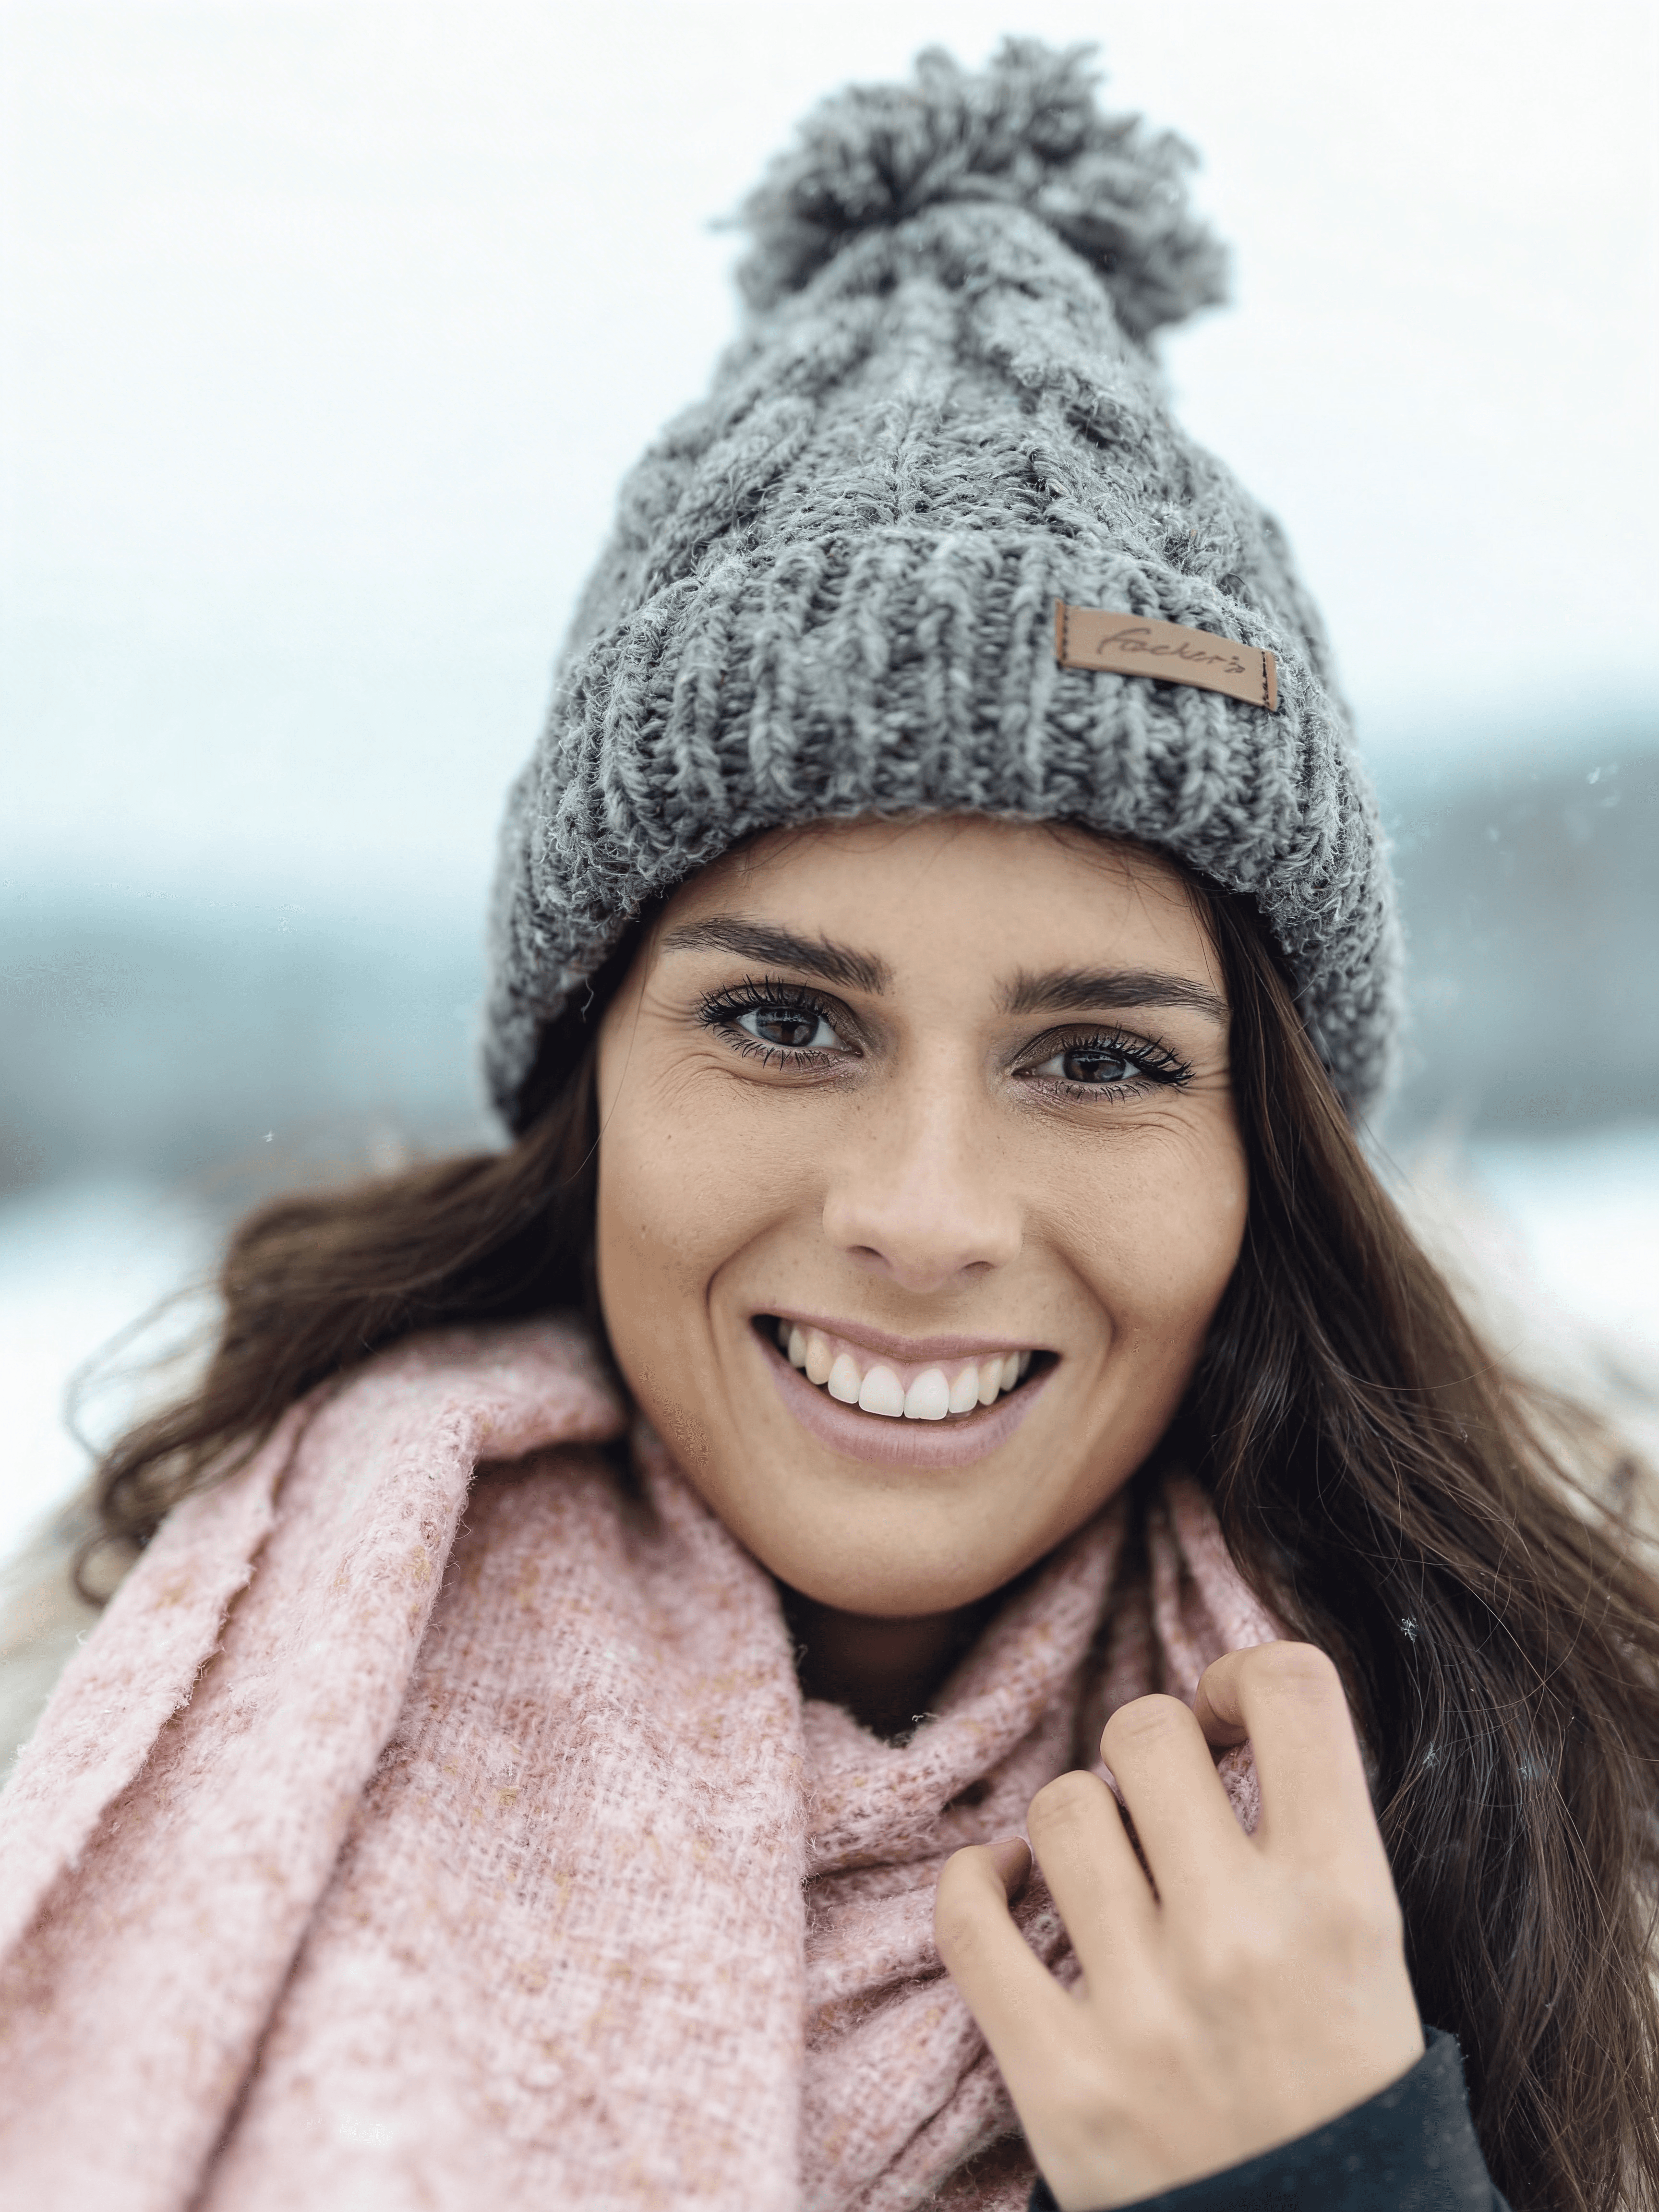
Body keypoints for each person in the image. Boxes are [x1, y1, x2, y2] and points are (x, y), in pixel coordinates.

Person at [0, 40, 1654, 2212]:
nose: (927, 1213)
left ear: (1269, 1158)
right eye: (786, 1021)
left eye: (1101, 1059)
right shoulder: (101, 1745)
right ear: (588, 1070)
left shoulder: (1585, 1844)